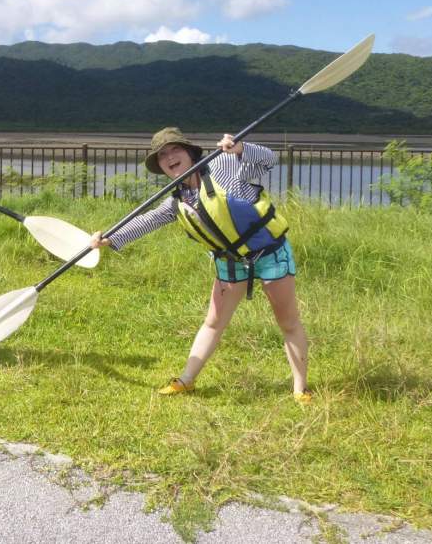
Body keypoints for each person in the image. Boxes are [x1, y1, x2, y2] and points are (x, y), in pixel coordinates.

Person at [91, 127, 310, 403]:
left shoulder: (223, 164)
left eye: (175, 150)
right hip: (230, 263)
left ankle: (301, 389)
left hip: (269, 254)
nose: (169, 157)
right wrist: (109, 238)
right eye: (162, 156)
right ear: (160, 166)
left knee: (288, 322)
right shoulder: (177, 199)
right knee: (213, 322)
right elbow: (147, 220)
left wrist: (241, 149)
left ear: (190, 153)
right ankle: (186, 380)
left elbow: (269, 159)